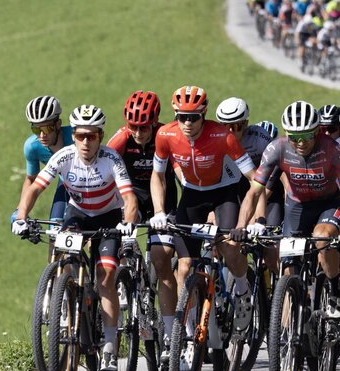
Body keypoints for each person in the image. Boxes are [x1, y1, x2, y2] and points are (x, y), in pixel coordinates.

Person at [13, 105, 138, 371]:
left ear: (100, 136)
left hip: (108, 216)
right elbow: (35, 187)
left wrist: (127, 224)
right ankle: (69, 294)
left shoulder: (112, 159)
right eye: (80, 135)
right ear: (73, 136)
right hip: (78, 214)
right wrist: (21, 216)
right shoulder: (63, 157)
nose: (85, 141)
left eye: (91, 136)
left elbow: (129, 198)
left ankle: (109, 348)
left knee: (105, 277)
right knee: (66, 256)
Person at [150, 86, 258, 337]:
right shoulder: (165, 134)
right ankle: (186, 333)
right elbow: (158, 175)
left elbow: (255, 180)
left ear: (204, 113)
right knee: (185, 266)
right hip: (192, 196)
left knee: (229, 247)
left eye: (193, 117)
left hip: (224, 193)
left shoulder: (223, 136)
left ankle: (242, 291)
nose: (187, 123)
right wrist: (158, 211)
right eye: (181, 117)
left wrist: (247, 220)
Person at [243, 101, 340, 318]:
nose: (300, 143)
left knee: (322, 238)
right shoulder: (277, 148)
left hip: (328, 204)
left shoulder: (331, 149)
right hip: (297, 207)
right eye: (294, 137)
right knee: (289, 263)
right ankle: (300, 304)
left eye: (306, 136)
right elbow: (254, 192)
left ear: (317, 131)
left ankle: (335, 289)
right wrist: (242, 226)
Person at [106, 91, 177, 348]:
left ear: (155, 121)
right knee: (124, 230)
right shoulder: (122, 138)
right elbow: (101, 163)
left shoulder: (165, 135)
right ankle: (127, 273)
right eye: (133, 125)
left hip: (163, 196)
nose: (137, 131)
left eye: (143, 126)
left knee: (162, 260)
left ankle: (171, 330)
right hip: (132, 194)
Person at [19, 95, 72, 223]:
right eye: (36, 129)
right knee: (55, 228)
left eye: (47, 128)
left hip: (94, 184)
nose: (42, 135)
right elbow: (31, 179)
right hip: (66, 182)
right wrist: (20, 211)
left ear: (58, 124)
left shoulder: (77, 138)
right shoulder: (32, 147)